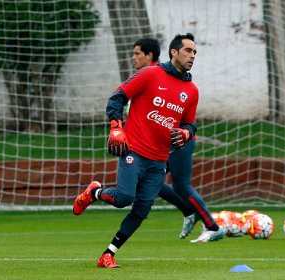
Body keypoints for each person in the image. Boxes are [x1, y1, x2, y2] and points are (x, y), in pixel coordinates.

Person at [73, 33, 215, 269]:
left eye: (195, 53)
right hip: (134, 151)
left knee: (140, 211)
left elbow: (191, 123)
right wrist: (116, 127)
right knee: (124, 198)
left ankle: (108, 254)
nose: (192, 56)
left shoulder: (191, 91)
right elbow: (117, 98)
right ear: (174, 52)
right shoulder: (151, 74)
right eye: (188, 51)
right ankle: (94, 192)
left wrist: (186, 133)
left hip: (159, 161)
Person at [131, 38, 224, 242]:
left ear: (149, 56)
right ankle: (189, 211)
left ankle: (212, 225)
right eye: (188, 51)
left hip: (178, 141)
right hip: (157, 144)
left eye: (137, 53)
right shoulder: (147, 76)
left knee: (180, 185)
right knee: (145, 180)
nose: (133, 57)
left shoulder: (162, 76)